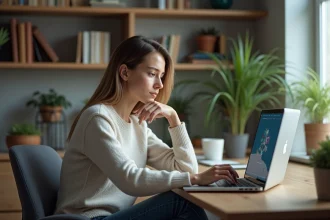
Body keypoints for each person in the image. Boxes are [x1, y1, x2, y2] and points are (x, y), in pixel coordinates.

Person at [55, 35, 239, 220]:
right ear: (125, 73)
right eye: (152, 74)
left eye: (162, 76)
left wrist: (173, 118)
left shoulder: (137, 123)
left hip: (116, 217)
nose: (159, 84)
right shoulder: (97, 118)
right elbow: (130, 179)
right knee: (181, 201)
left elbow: (187, 170)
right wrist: (195, 179)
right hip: (87, 218)